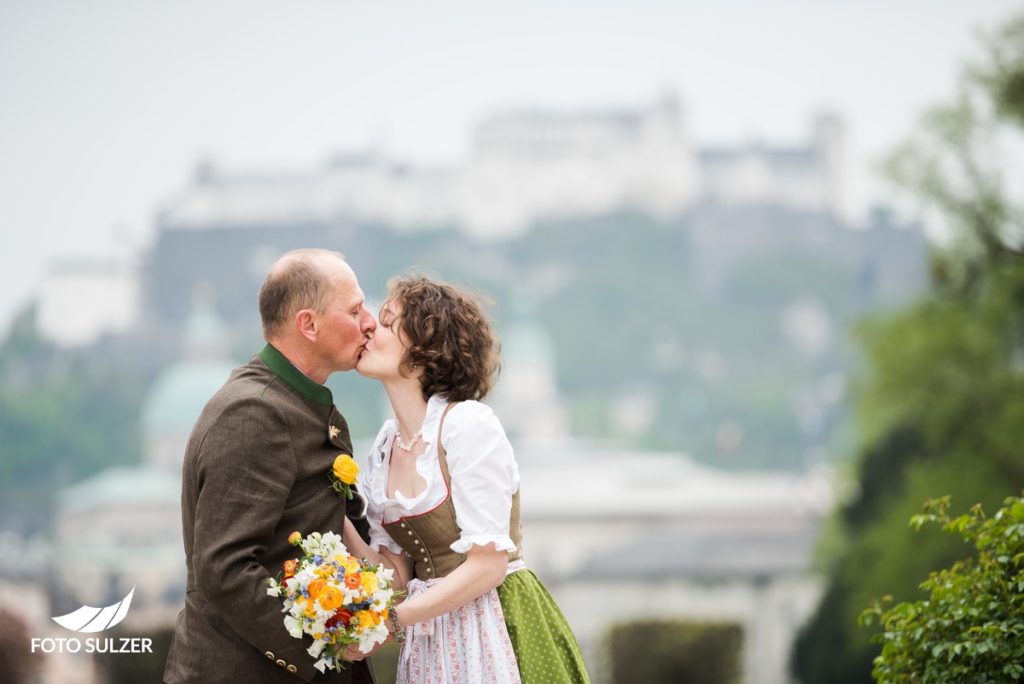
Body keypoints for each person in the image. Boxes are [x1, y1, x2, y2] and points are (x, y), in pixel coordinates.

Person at [343, 275, 590, 684]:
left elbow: (487, 567)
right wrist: (330, 514)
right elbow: (395, 577)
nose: (370, 327)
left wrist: (390, 621)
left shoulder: (466, 426)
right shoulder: (384, 448)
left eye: (388, 323)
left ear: (424, 349)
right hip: (432, 642)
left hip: (496, 627)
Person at [164, 249, 378, 684]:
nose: (369, 322)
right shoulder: (253, 414)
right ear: (308, 324)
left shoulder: (295, 401)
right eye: (354, 310)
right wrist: (322, 645)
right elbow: (224, 569)